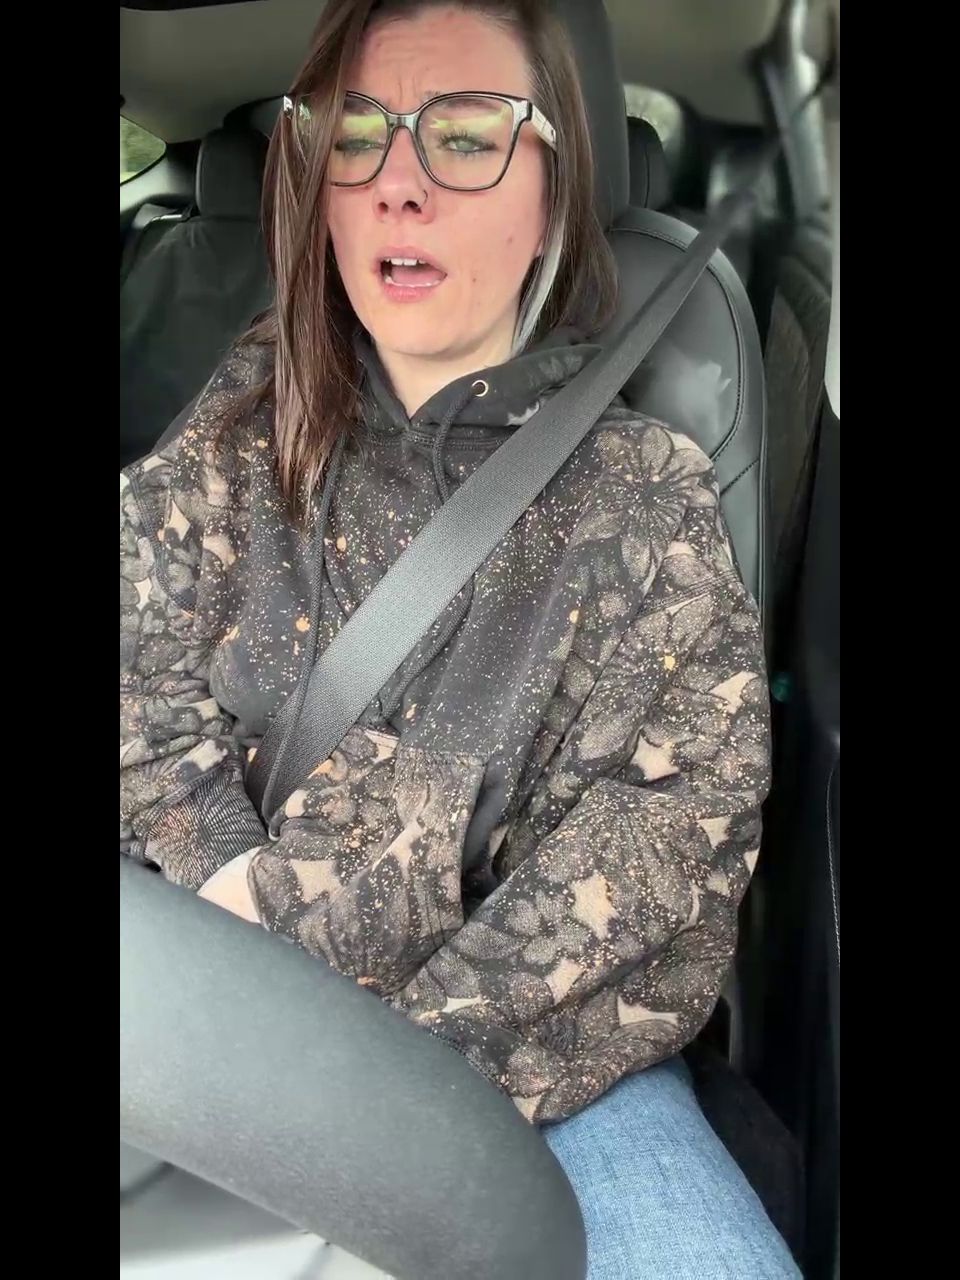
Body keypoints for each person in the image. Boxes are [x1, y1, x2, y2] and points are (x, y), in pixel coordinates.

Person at [120, 1, 797, 1274]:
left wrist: (377, 1086)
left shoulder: (639, 490)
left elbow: (661, 848)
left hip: (546, 1064)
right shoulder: (241, 425)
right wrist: (235, 914)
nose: (399, 184)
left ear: (555, 191)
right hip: (220, 1017)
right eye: (357, 133)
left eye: (469, 135)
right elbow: (135, 687)